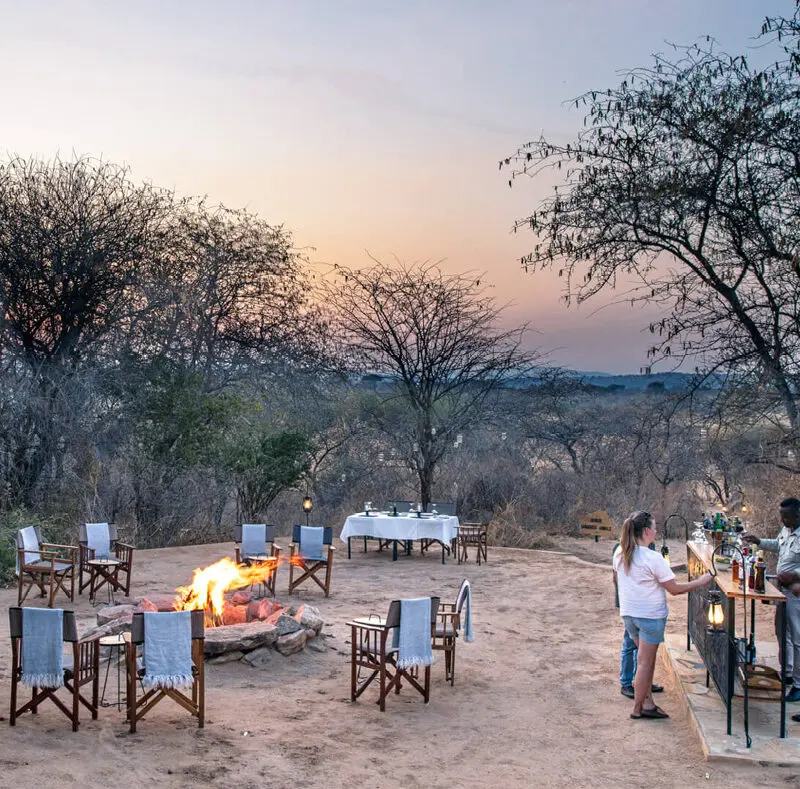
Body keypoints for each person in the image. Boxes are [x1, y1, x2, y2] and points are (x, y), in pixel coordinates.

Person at [613, 510, 712, 719]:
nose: (656, 532)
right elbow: (674, 589)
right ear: (647, 531)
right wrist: (700, 582)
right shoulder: (652, 558)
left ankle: (648, 703)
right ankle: (638, 709)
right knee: (645, 663)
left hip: (629, 614)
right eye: (655, 528)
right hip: (649, 616)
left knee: (643, 661)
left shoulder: (620, 553)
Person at [742, 497, 800, 704]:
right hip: (782, 590)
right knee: (781, 632)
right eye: (781, 515)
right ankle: (788, 672)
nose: (782, 520)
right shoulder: (787, 531)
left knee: (797, 637)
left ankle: (798, 685)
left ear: (797, 515)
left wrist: (795, 575)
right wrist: (759, 542)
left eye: (786, 516)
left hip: (796, 592)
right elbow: (778, 545)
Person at [612, 540, 663, 698]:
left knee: (643, 646)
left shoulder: (649, 548)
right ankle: (626, 682)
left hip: (646, 605)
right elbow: (617, 577)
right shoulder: (623, 548)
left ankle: (641, 681)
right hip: (634, 605)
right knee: (630, 643)